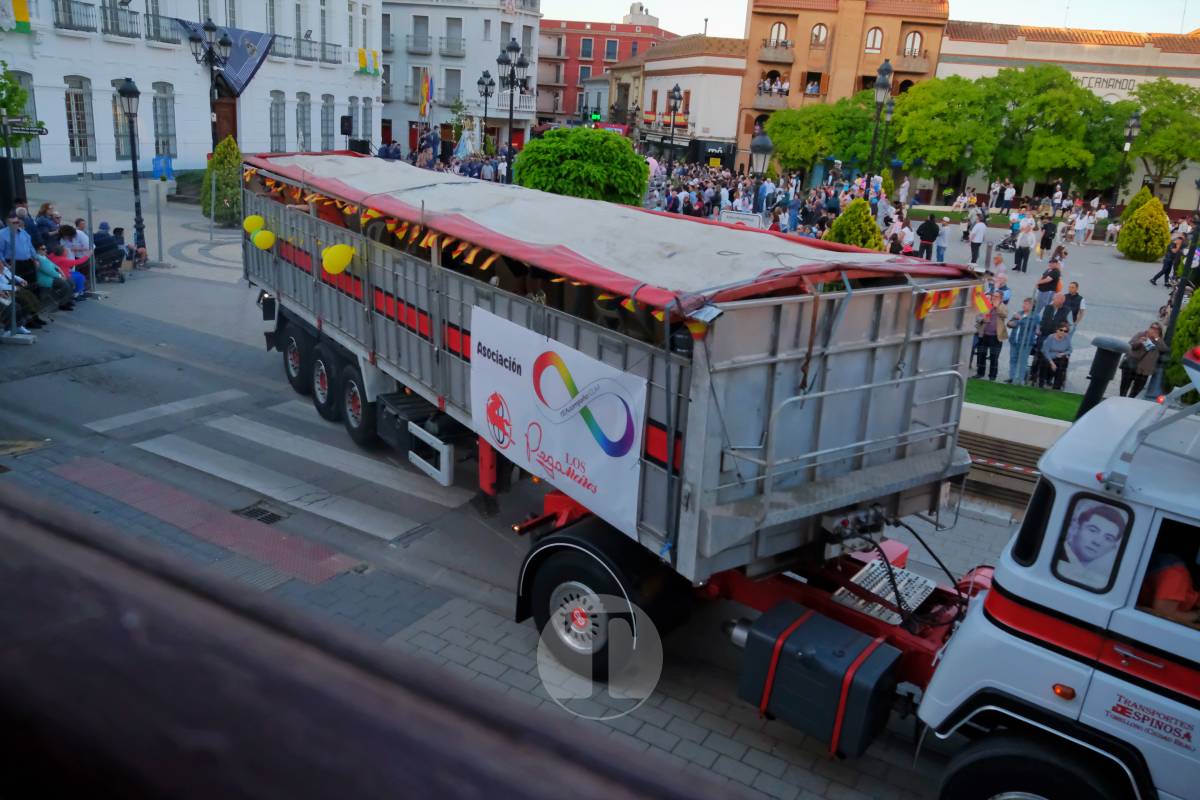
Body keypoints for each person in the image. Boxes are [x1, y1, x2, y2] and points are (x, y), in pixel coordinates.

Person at [1055, 502, 1126, 588]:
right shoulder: (1055, 556)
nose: (1097, 542)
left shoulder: (1100, 580)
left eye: (1108, 538)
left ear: (1112, 548)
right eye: (1093, 530)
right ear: (1076, 528)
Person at [1119, 323, 1163, 398]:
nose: (1153, 330)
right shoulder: (1141, 334)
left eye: (1156, 329)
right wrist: (1139, 342)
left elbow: (1162, 349)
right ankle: (1121, 399)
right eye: (1152, 327)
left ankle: (1129, 401)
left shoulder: (1158, 340)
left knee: (1136, 390)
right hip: (1131, 363)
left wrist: (1156, 339)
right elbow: (1130, 345)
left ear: (1159, 331)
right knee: (1124, 386)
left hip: (1144, 369)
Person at [974, 291, 1008, 380]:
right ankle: (980, 373)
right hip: (984, 334)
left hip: (996, 336)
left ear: (1001, 298)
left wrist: (996, 307)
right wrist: (982, 319)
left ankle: (992, 376)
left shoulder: (1003, 306)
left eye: (996, 296)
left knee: (994, 357)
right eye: (993, 296)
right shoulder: (987, 305)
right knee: (981, 355)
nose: (994, 297)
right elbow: (978, 315)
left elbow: (1004, 315)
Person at [1006, 297, 1038, 384]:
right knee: (1013, 359)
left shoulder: (1035, 316)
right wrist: (1010, 323)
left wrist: (1020, 319)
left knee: (1022, 361)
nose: (1023, 305)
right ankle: (1012, 377)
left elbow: (1029, 326)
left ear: (1032, 306)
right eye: (1023, 303)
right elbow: (1010, 323)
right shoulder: (1019, 313)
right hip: (1014, 341)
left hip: (1025, 343)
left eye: (1026, 304)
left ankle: (1020, 379)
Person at [0, 212, 37, 286]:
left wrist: (35, 259)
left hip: (28, 262)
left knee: (33, 284)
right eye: (13, 223)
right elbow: (0, 251)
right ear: (7, 223)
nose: (16, 224)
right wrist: (6, 265)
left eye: (17, 222)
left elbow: (30, 246)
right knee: (20, 286)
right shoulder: (2, 234)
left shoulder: (23, 232)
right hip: (14, 264)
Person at [1039, 321, 1072, 390]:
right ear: (1057, 330)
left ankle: (1056, 386)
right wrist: (1052, 363)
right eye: (1061, 330)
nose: (1063, 332)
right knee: (1045, 363)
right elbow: (1046, 351)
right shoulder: (1051, 337)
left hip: (1058, 356)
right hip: (1048, 355)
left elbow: (1070, 350)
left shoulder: (1067, 338)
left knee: (1062, 365)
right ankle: (1041, 383)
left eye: (1065, 331)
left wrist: (1063, 353)